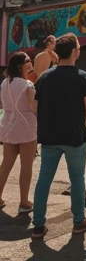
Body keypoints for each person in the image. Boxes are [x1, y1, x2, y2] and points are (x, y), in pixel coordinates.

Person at [31, 34, 86, 240]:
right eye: (78, 46)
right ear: (75, 51)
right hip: (75, 136)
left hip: (49, 136)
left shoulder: (45, 77)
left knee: (44, 179)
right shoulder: (83, 77)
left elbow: (36, 106)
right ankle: (79, 221)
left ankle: (38, 225)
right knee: (77, 178)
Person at [0, 51, 37, 214]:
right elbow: (34, 107)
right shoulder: (27, 85)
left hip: (8, 125)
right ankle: (24, 201)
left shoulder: (5, 83)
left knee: (6, 163)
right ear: (20, 65)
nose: (31, 62)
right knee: (26, 165)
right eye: (28, 61)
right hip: (26, 126)